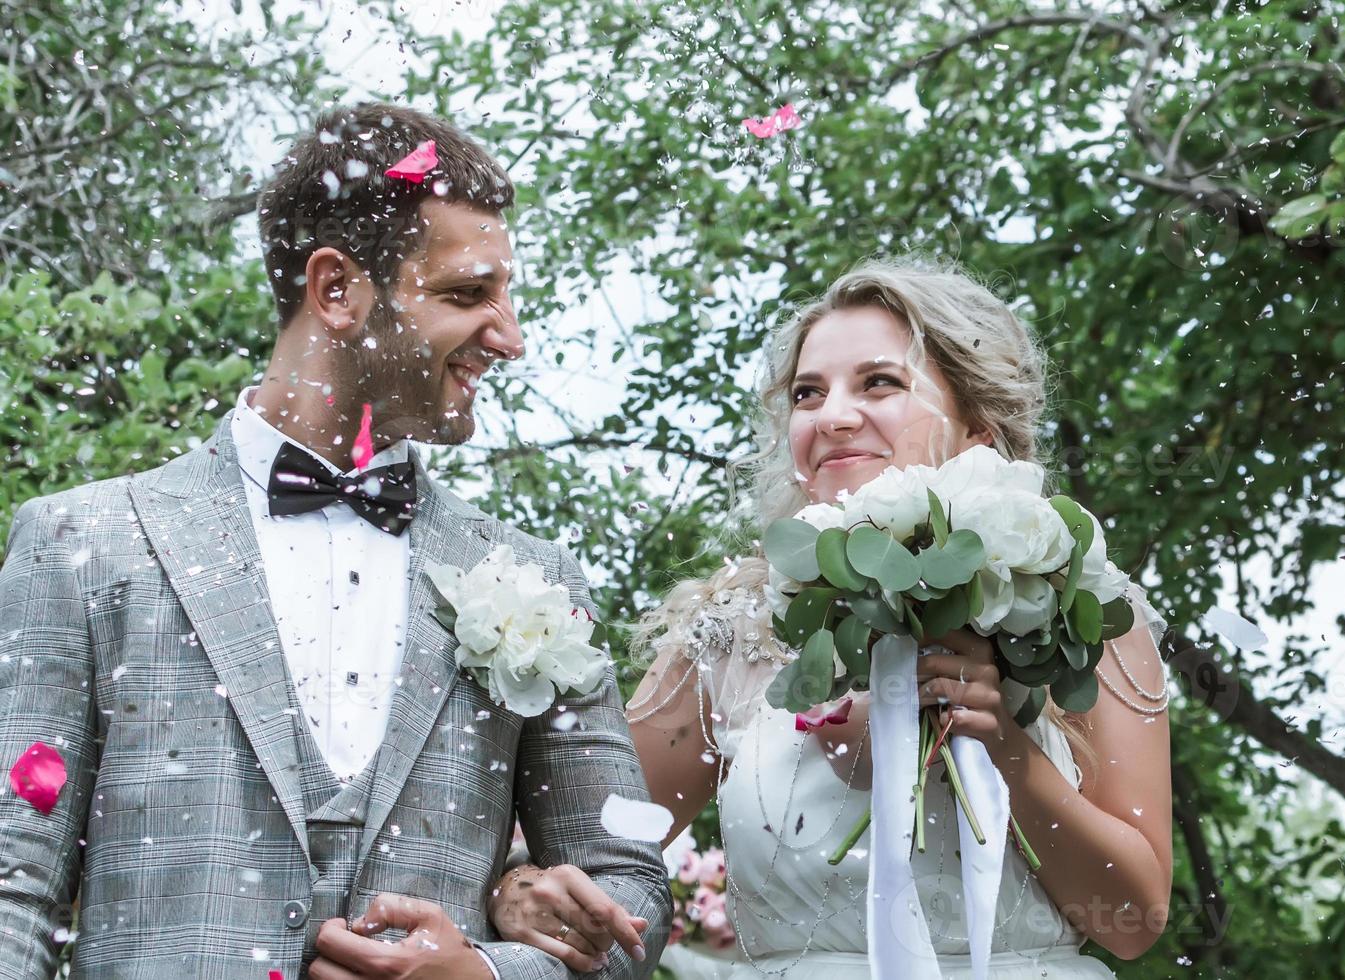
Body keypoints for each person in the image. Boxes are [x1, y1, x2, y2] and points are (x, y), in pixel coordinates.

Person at [0, 102, 669, 980]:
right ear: (337, 290)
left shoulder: (531, 578)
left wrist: (491, 973)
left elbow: (632, 891)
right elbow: (13, 892)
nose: (509, 337)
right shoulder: (82, 544)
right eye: (468, 295)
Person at [489, 258, 1173, 977]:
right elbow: (593, 843)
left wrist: (1007, 749)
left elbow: (1131, 924)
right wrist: (519, 889)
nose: (832, 415)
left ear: (978, 422)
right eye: (807, 394)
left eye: (879, 382)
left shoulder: (1084, 609)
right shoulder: (736, 629)